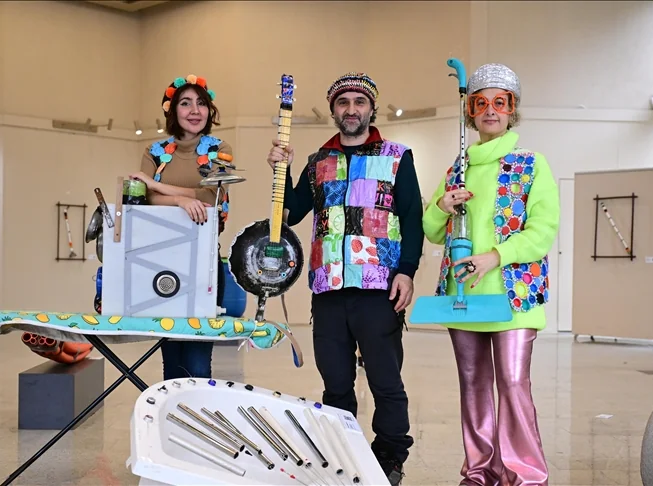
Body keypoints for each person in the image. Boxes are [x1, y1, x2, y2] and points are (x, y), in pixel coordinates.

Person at [267, 72, 423, 485]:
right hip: (329, 289)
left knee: (385, 382)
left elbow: (413, 218)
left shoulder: (397, 156)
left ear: (371, 108)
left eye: (359, 102)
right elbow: (291, 213)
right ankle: (343, 455)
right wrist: (281, 170)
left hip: (378, 287)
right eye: (343, 102)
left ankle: (390, 457)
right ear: (333, 110)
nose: (351, 109)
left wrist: (406, 272)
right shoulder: (318, 161)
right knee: (335, 384)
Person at [422, 63, 558, 486]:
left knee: (513, 383)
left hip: (513, 297)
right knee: (473, 385)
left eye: (501, 102)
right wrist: (442, 207)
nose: (490, 111)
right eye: (481, 103)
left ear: (513, 109)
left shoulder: (531, 164)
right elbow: (432, 231)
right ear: (470, 112)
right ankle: (480, 471)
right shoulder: (457, 169)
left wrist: (494, 257)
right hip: (463, 294)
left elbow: (542, 231)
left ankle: (526, 475)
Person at [129, 74, 232, 380]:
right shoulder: (154, 151)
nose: (195, 110)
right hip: (161, 263)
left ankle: (198, 412)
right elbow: (144, 200)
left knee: (199, 364)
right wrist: (180, 200)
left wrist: (160, 187)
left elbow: (213, 197)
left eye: (201, 103)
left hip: (205, 263)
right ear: (172, 110)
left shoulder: (220, 148)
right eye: (185, 103)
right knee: (172, 364)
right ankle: (172, 412)